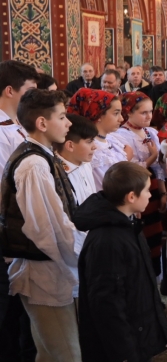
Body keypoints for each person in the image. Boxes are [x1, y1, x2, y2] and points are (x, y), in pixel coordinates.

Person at [1, 89, 82, 361]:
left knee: (49, 354)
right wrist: (81, 257)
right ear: (42, 123)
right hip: (44, 274)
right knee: (68, 355)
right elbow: (47, 229)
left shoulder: (41, 156)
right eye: (62, 116)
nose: (69, 123)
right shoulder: (34, 164)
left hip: (50, 270)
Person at [74, 162, 167, 362]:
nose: (149, 195)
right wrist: (125, 353)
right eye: (146, 191)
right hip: (121, 346)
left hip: (136, 333)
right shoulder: (108, 241)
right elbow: (107, 303)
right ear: (131, 196)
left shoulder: (127, 224)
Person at [111, 92, 167, 274]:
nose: (149, 116)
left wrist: (163, 193)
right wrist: (151, 157)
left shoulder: (150, 132)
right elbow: (130, 170)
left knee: (156, 234)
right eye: (143, 112)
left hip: (152, 187)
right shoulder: (122, 135)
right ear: (129, 112)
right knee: (141, 236)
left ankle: (155, 278)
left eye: (150, 112)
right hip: (136, 187)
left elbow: (159, 168)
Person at [67, 88, 130, 190]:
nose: (121, 119)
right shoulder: (90, 149)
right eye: (116, 113)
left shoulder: (112, 139)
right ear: (98, 114)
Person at [54, 114, 98, 205]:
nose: (95, 147)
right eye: (89, 142)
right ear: (70, 145)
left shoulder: (86, 164)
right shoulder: (57, 174)